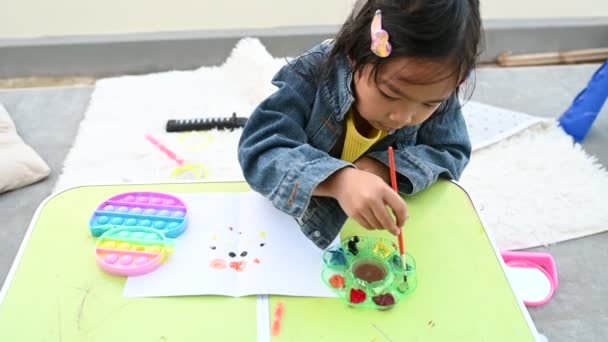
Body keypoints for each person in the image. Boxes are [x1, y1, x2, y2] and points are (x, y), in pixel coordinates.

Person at [238, 0, 482, 249]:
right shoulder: (312, 72)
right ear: (354, 55)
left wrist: (384, 168)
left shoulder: (437, 89)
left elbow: (451, 151)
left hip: (377, 238)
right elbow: (261, 151)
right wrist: (339, 180)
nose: (404, 118)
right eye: (390, 95)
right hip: (289, 232)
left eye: (429, 105)